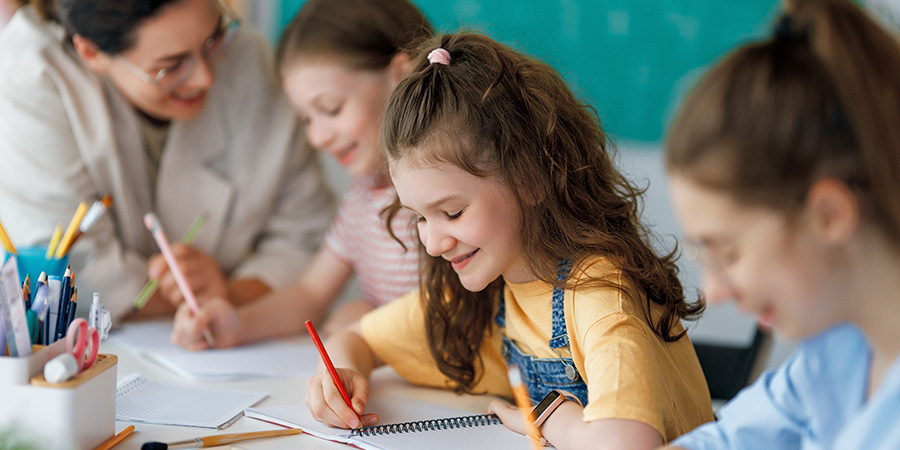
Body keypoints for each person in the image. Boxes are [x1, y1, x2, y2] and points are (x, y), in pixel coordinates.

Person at [306, 32, 715, 450]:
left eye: (452, 213)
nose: (432, 244)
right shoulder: (488, 291)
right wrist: (341, 372)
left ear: (531, 178)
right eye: (419, 219)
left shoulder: (596, 292)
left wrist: (546, 416)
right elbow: (358, 339)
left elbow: (627, 444)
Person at [0, 0, 334, 321]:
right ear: (92, 53)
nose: (206, 78)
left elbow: (305, 238)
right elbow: (80, 271)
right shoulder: (31, 71)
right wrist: (193, 300)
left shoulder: (250, 59)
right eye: (172, 66)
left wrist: (228, 295)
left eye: (214, 38)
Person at [661, 0, 900, 448]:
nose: (712, 292)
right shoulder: (835, 351)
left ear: (828, 216)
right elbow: (727, 440)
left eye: (727, 252)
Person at [170, 0, 432, 349]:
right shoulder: (362, 196)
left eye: (330, 109)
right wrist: (237, 324)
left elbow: (457, 320)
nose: (317, 136)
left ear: (400, 74)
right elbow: (309, 293)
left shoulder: (441, 199)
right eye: (306, 118)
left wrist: (367, 327)